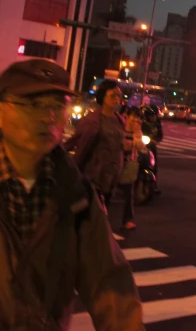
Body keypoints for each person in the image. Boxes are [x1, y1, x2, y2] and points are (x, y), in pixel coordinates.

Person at [0, 58, 143, 329]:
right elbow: (83, 147)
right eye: (32, 104)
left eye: (57, 105)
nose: (48, 116)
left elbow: (110, 284)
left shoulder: (76, 198)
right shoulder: (91, 128)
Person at [64, 79, 125, 211]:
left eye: (118, 95)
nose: (116, 99)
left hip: (112, 176)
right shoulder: (91, 120)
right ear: (103, 96)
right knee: (94, 215)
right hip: (94, 176)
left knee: (102, 213)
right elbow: (77, 144)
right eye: (112, 95)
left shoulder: (120, 120)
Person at [119, 107, 147, 230]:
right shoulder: (120, 126)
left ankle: (128, 220)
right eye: (133, 116)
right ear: (126, 115)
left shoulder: (137, 130)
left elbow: (141, 147)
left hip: (129, 163)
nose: (135, 119)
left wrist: (136, 137)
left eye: (138, 117)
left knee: (129, 192)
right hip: (115, 161)